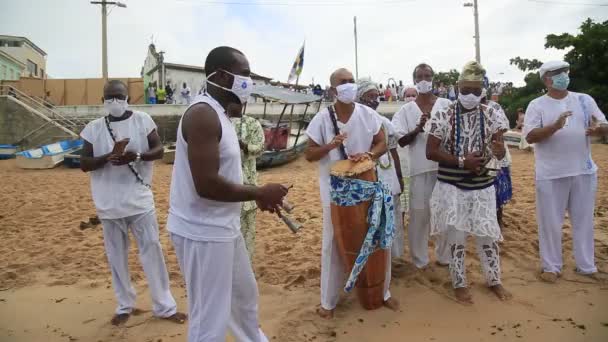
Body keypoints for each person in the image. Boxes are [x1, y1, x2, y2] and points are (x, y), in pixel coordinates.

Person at [167, 46, 287, 341]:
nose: (249, 82)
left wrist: (256, 195)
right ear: (222, 75)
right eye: (245, 75)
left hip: (223, 227)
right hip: (202, 232)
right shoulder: (203, 116)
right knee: (210, 317)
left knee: (244, 297)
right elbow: (206, 184)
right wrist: (259, 192)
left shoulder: (220, 114)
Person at [80, 80, 186, 326]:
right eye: (110, 97)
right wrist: (108, 157)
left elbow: (159, 150)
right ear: (103, 99)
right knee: (116, 257)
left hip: (140, 202)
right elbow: (84, 163)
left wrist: (137, 155)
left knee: (152, 252)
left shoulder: (142, 120)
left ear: (127, 97)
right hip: (108, 205)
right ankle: (124, 305)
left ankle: (165, 306)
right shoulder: (93, 128)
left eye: (119, 96)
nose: (114, 102)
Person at [305, 68, 398, 319]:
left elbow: (381, 141)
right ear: (334, 90)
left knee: (378, 236)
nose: (349, 85)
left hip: (368, 185)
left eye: (351, 81)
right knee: (334, 243)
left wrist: (369, 155)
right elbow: (309, 154)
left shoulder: (367, 114)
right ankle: (328, 302)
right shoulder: (322, 119)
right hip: (334, 192)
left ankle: (383, 292)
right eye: (343, 82)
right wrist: (331, 145)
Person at [425, 61, 511, 304]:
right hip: (452, 186)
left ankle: (494, 280)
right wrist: (462, 162)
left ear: (483, 89)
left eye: (475, 91)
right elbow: (430, 152)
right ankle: (459, 283)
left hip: (482, 185)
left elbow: (499, 152)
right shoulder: (444, 113)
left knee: (487, 236)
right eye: (465, 90)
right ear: (457, 87)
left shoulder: (493, 113)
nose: (470, 96)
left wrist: (499, 151)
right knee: (457, 237)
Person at [523, 60, 608, 283]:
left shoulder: (583, 99)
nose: (563, 75)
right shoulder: (537, 105)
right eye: (557, 73)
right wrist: (554, 127)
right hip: (550, 173)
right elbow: (530, 136)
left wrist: (599, 129)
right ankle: (551, 266)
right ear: (547, 79)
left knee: (584, 220)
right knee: (550, 222)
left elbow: (604, 125)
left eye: (565, 71)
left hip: (583, 170)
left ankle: (586, 265)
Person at [392, 64, 451, 270]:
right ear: (414, 79)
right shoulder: (405, 111)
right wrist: (417, 129)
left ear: (433, 78)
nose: (424, 79)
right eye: (420, 76)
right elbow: (400, 141)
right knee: (419, 215)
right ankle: (420, 260)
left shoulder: (446, 104)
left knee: (445, 213)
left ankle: (445, 256)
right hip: (419, 169)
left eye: (428, 76)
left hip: (445, 167)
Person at [356, 79, 404, 258]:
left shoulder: (385, 123)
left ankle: (391, 257)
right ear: (359, 97)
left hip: (387, 174)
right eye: (370, 96)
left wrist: (399, 177)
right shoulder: (354, 123)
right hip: (365, 176)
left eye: (377, 96)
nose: (375, 100)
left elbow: (394, 151)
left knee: (390, 217)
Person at [231, 113, 265, 261]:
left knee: (247, 238)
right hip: (224, 193)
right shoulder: (215, 122)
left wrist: (244, 146)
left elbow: (260, 148)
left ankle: (246, 270)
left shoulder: (252, 123)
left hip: (248, 189)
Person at [481, 88, 512, 230]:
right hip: (478, 155)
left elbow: (503, 128)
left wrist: (495, 148)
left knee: (496, 188)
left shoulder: (494, 107)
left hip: (495, 155)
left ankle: (498, 221)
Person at [397, 85, 418, 220]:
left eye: (413, 95)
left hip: (420, 160)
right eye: (408, 95)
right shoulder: (400, 113)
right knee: (403, 192)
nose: (411, 98)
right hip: (404, 158)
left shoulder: (424, 111)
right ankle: (401, 219)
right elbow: (398, 136)